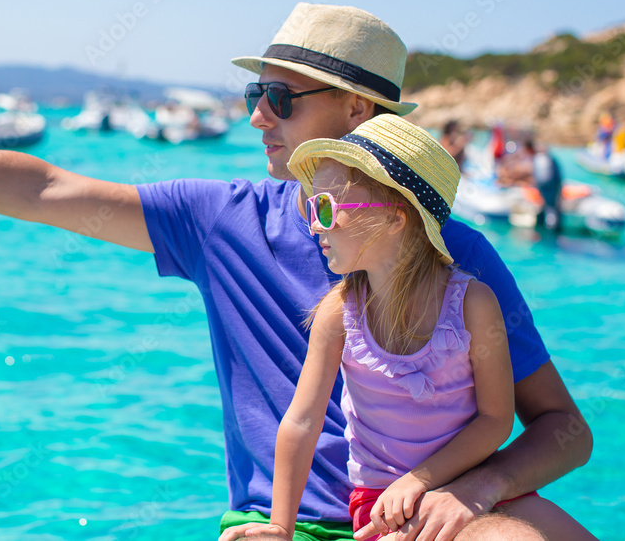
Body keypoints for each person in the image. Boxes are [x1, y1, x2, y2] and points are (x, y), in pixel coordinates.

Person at [0, 3, 595, 540]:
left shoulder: (459, 261)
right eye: (253, 94)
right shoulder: (221, 219)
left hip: (422, 514)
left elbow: (560, 428)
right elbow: (42, 184)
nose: (256, 114)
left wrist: (475, 490)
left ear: (357, 114)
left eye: (280, 97)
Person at [217, 115, 521, 541]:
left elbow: (495, 419)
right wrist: (280, 527)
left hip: (467, 490)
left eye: (325, 208)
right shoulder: (339, 313)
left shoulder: (473, 304)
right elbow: (302, 423)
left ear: (395, 218)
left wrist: (420, 479)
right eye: (310, 206)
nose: (313, 225)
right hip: (383, 508)